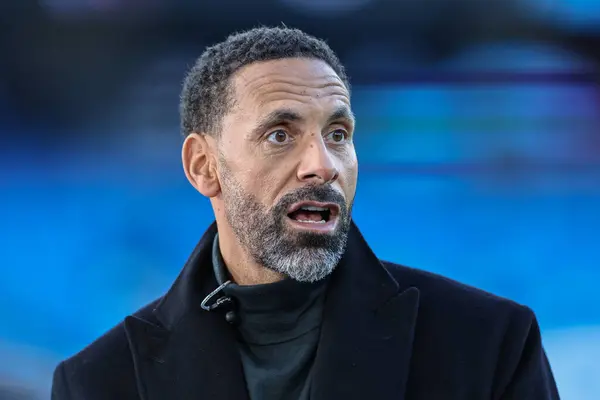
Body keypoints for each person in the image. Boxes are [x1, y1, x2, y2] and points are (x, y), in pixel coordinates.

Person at [51, 27, 559, 400]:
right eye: (280, 135)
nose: (322, 165)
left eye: (338, 135)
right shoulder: (98, 382)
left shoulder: (490, 343)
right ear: (203, 166)